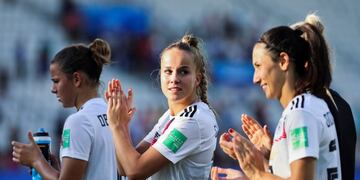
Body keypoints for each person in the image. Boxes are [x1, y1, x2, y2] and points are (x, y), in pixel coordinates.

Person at [213, 14, 345, 179]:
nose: (255, 78)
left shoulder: (301, 112)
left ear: (283, 61)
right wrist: (273, 155)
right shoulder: (307, 106)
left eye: (259, 66)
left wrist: (254, 174)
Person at [105, 34, 219, 179]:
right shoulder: (172, 116)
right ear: (161, 75)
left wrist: (116, 126)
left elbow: (135, 171)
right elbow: (125, 167)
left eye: (183, 71)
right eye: (168, 71)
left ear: (197, 79)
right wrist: (123, 125)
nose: (174, 79)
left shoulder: (192, 121)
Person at [11, 39, 117, 180]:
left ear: (76, 79)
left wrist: (36, 161)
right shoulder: (113, 114)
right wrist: (55, 169)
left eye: (56, 81)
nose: (53, 89)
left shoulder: (78, 121)